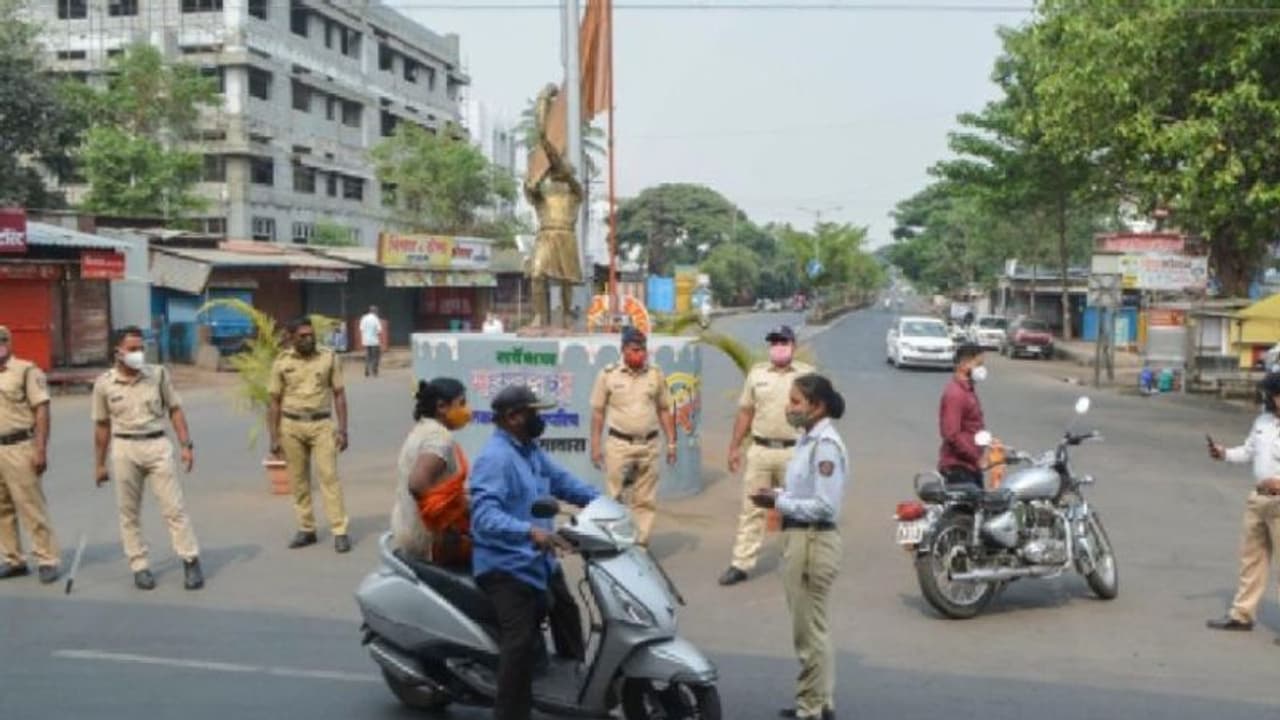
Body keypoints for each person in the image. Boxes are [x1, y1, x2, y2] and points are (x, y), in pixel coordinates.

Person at [470, 385, 600, 720]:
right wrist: (529, 531)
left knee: (569, 614)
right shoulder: (495, 458)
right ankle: (510, 713)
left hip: (539, 560)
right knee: (520, 641)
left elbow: (563, 482)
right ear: (514, 417)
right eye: (534, 414)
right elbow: (483, 516)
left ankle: (573, 693)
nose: (540, 420)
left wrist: (603, 503)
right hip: (506, 566)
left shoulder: (529, 450)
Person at [750, 374, 847, 720]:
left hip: (812, 539)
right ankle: (822, 703)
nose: (789, 408)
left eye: (795, 402)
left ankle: (810, 709)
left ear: (816, 406)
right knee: (814, 628)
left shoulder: (825, 447)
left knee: (807, 632)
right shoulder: (808, 439)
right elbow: (805, 493)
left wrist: (781, 504)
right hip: (802, 535)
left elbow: (825, 506)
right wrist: (777, 496)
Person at [91, 327, 203, 591]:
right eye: (132, 349)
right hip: (124, 449)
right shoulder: (104, 384)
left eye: (141, 348)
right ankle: (139, 566)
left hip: (157, 445)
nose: (139, 353)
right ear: (118, 352)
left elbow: (175, 409)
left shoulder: (158, 375)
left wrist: (186, 445)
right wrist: (98, 464)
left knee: (173, 508)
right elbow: (101, 426)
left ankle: (190, 560)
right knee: (128, 512)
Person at [719, 325, 814, 586]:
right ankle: (741, 564)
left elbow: (820, 414)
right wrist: (734, 446)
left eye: (783, 341)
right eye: (774, 342)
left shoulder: (807, 376)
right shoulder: (757, 374)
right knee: (752, 510)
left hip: (794, 452)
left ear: (793, 345)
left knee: (797, 512)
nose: (778, 346)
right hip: (761, 451)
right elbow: (745, 412)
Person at [1206, 372, 1280, 636]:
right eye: (1273, 395)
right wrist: (1224, 453)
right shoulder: (1263, 421)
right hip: (1258, 500)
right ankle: (1242, 615)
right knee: (1251, 560)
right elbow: (1249, 451)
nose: (1273, 399)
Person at [269, 317, 351, 553]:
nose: (309, 339)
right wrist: (274, 437)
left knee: (329, 477)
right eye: (302, 336)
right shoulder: (281, 362)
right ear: (291, 337)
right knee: (298, 480)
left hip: (321, 425)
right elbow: (273, 401)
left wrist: (343, 430)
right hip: (290, 426)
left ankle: (339, 530)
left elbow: (339, 395)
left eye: (311, 334)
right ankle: (307, 529)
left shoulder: (328, 358)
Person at [589, 327, 676, 545]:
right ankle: (617, 542)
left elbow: (664, 409)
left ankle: (640, 545)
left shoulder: (655, 374)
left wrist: (672, 442)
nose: (641, 354)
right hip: (619, 444)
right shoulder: (608, 375)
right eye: (636, 349)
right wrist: (595, 446)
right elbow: (598, 412)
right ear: (624, 350)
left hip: (649, 445)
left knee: (645, 500)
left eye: (644, 350)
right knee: (616, 497)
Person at [391, 378, 473, 568]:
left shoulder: (423, 429)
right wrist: (448, 524)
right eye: (461, 403)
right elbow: (418, 484)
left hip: (406, 529)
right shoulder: (439, 438)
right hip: (429, 540)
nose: (467, 410)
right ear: (441, 407)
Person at [0, 326, 60, 584]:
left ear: (10, 343)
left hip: (19, 446)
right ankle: (14, 559)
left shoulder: (26, 370)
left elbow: (42, 410)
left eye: (2, 340)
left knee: (30, 505)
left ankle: (47, 558)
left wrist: (40, 449)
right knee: (2, 508)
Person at [938, 343, 987, 487]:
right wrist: (974, 456)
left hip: (970, 467)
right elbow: (951, 434)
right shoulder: (956, 394)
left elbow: (972, 426)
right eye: (979, 364)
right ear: (964, 364)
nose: (982, 369)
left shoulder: (968, 391)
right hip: (959, 468)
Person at [359, 305, 383, 378]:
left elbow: (361, 328)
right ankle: (374, 371)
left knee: (368, 356)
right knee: (375, 356)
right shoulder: (376, 319)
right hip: (374, 341)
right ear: (375, 311)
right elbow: (379, 330)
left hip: (366, 341)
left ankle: (367, 370)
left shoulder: (364, 318)